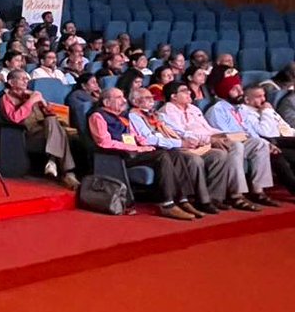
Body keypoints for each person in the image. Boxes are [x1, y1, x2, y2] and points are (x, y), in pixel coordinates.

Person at [89, 88, 205, 220]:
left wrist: (146, 146)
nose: (124, 100)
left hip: (135, 152)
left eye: (123, 97)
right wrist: (137, 148)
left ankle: (183, 199)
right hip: (119, 156)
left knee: (174, 153)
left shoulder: (123, 116)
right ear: (106, 102)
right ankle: (167, 204)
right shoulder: (98, 116)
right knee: (162, 156)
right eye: (119, 97)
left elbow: (136, 136)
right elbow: (104, 142)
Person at [159, 81, 267, 211]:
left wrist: (223, 135)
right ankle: (232, 196)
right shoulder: (167, 111)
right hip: (189, 147)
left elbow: (208, 128)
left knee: (232, 149)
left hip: (206, 143)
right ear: (173, 96)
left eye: (188, 90)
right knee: (224, 151)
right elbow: (182, 134)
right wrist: (210, 140)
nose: (189, 93)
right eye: (184, 91)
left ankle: (216, 197)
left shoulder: (194, 109)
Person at [125, 87, 231, 214]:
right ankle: (198, 201)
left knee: (219, 154)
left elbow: (181, 131)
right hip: (158, 149)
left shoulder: (158, 115)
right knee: (192, 160)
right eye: (147, 98)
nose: (152, 100)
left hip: (176, 147)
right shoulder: (134, 116)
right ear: (135, 101)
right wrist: (180, 143)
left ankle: (201, 198)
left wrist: (196, 139)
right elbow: (149, 139)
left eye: (152, 97)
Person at [205, 76, 295, 201]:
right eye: (235, 89)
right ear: (225, 91)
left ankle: (258, 191)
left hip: (245, 141)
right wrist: (242, 137)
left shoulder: (239, 109)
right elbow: (224, 135)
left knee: (261, 144)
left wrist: (267, 144)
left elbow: (251, 131)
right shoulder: (217, 110)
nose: (240, 92)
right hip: (229, 143)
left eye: (240, 88)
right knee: (238, 146)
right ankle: (237, 194)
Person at [0, 69, 80, 189]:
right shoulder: (6, 98)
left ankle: (56, 163)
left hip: (47, 130)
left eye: (27, 79)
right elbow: (15, 118)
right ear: (11, 82)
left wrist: (42, 101)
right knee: (61, 132)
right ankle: (63, 169)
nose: (26, 81)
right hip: (28, 134)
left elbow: (51, 114)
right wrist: (31, 101)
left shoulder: (31, 94)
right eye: (22, 79)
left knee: (52, 121)